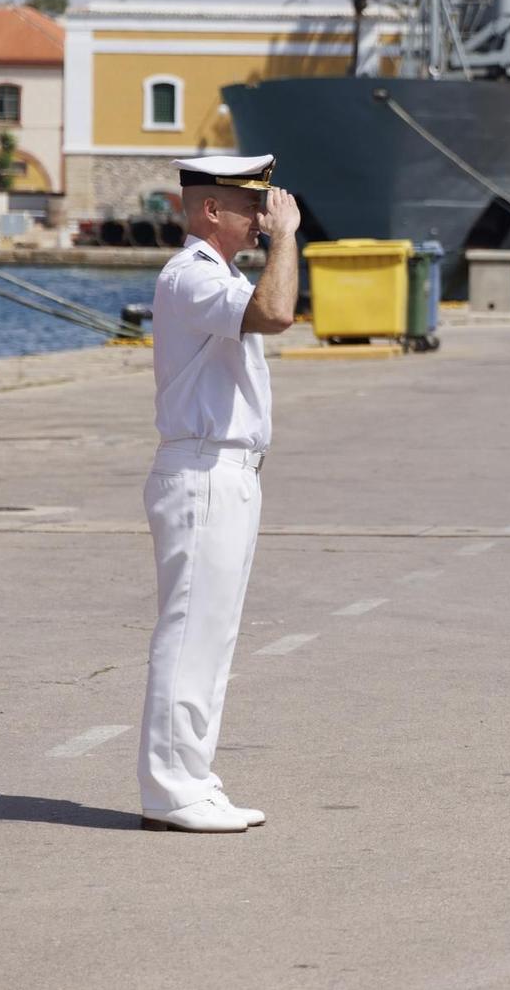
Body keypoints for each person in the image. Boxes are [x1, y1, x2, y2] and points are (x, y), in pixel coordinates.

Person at [138, 154, 301, 834]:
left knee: (213, 633)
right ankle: (171, 788)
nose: (262, 215)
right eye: (250, 205)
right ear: (211, 210)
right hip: (204, 470)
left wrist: (276, 239)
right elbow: (277, 313)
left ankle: (191, 776)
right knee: (190, 632)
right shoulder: (190, 275)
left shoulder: (218, 274)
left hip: (228, 471)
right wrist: (288, 237)